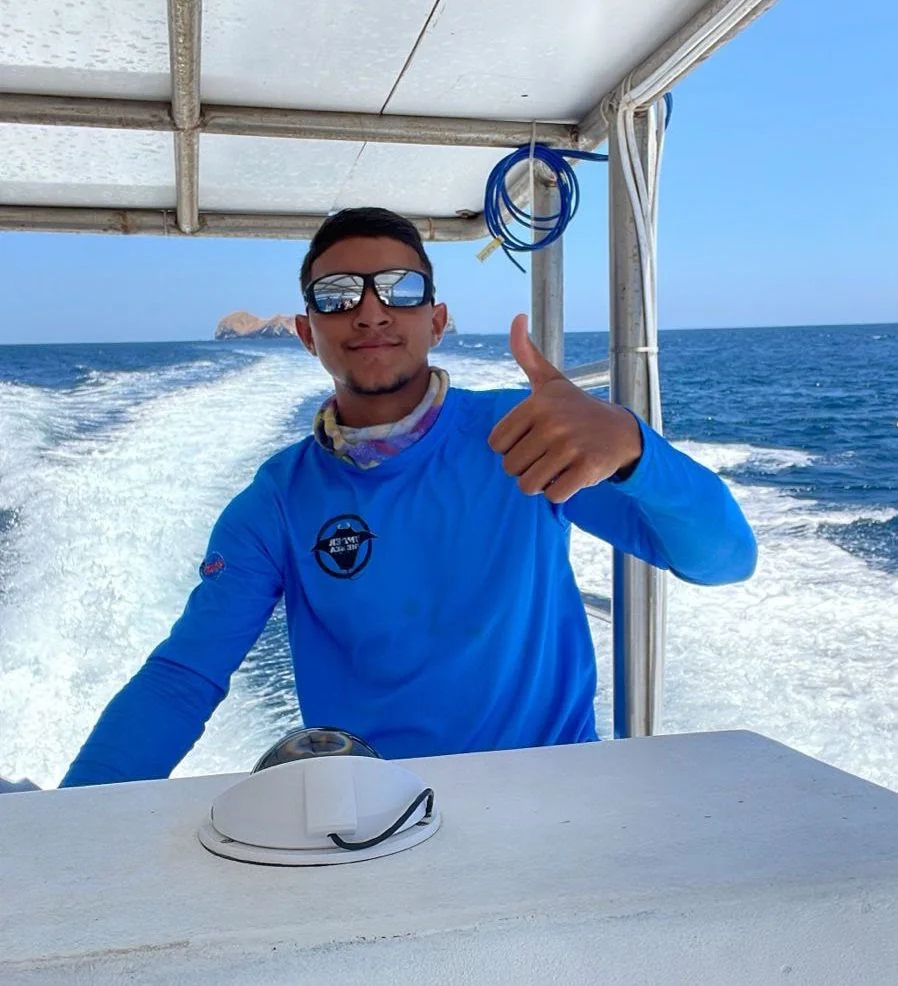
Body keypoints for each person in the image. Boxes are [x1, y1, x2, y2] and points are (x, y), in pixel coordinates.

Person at [60, 207, 757, 787]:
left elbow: (724, 560)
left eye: (399, 288)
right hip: (374, 825)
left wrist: (633, 448)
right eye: (337, 294)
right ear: (306, 333)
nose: (370, 311)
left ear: (437, 320)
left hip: (555, 796)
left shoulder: (526, 436)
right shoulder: (276, 501)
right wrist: (68, 825)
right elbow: (184, 676)